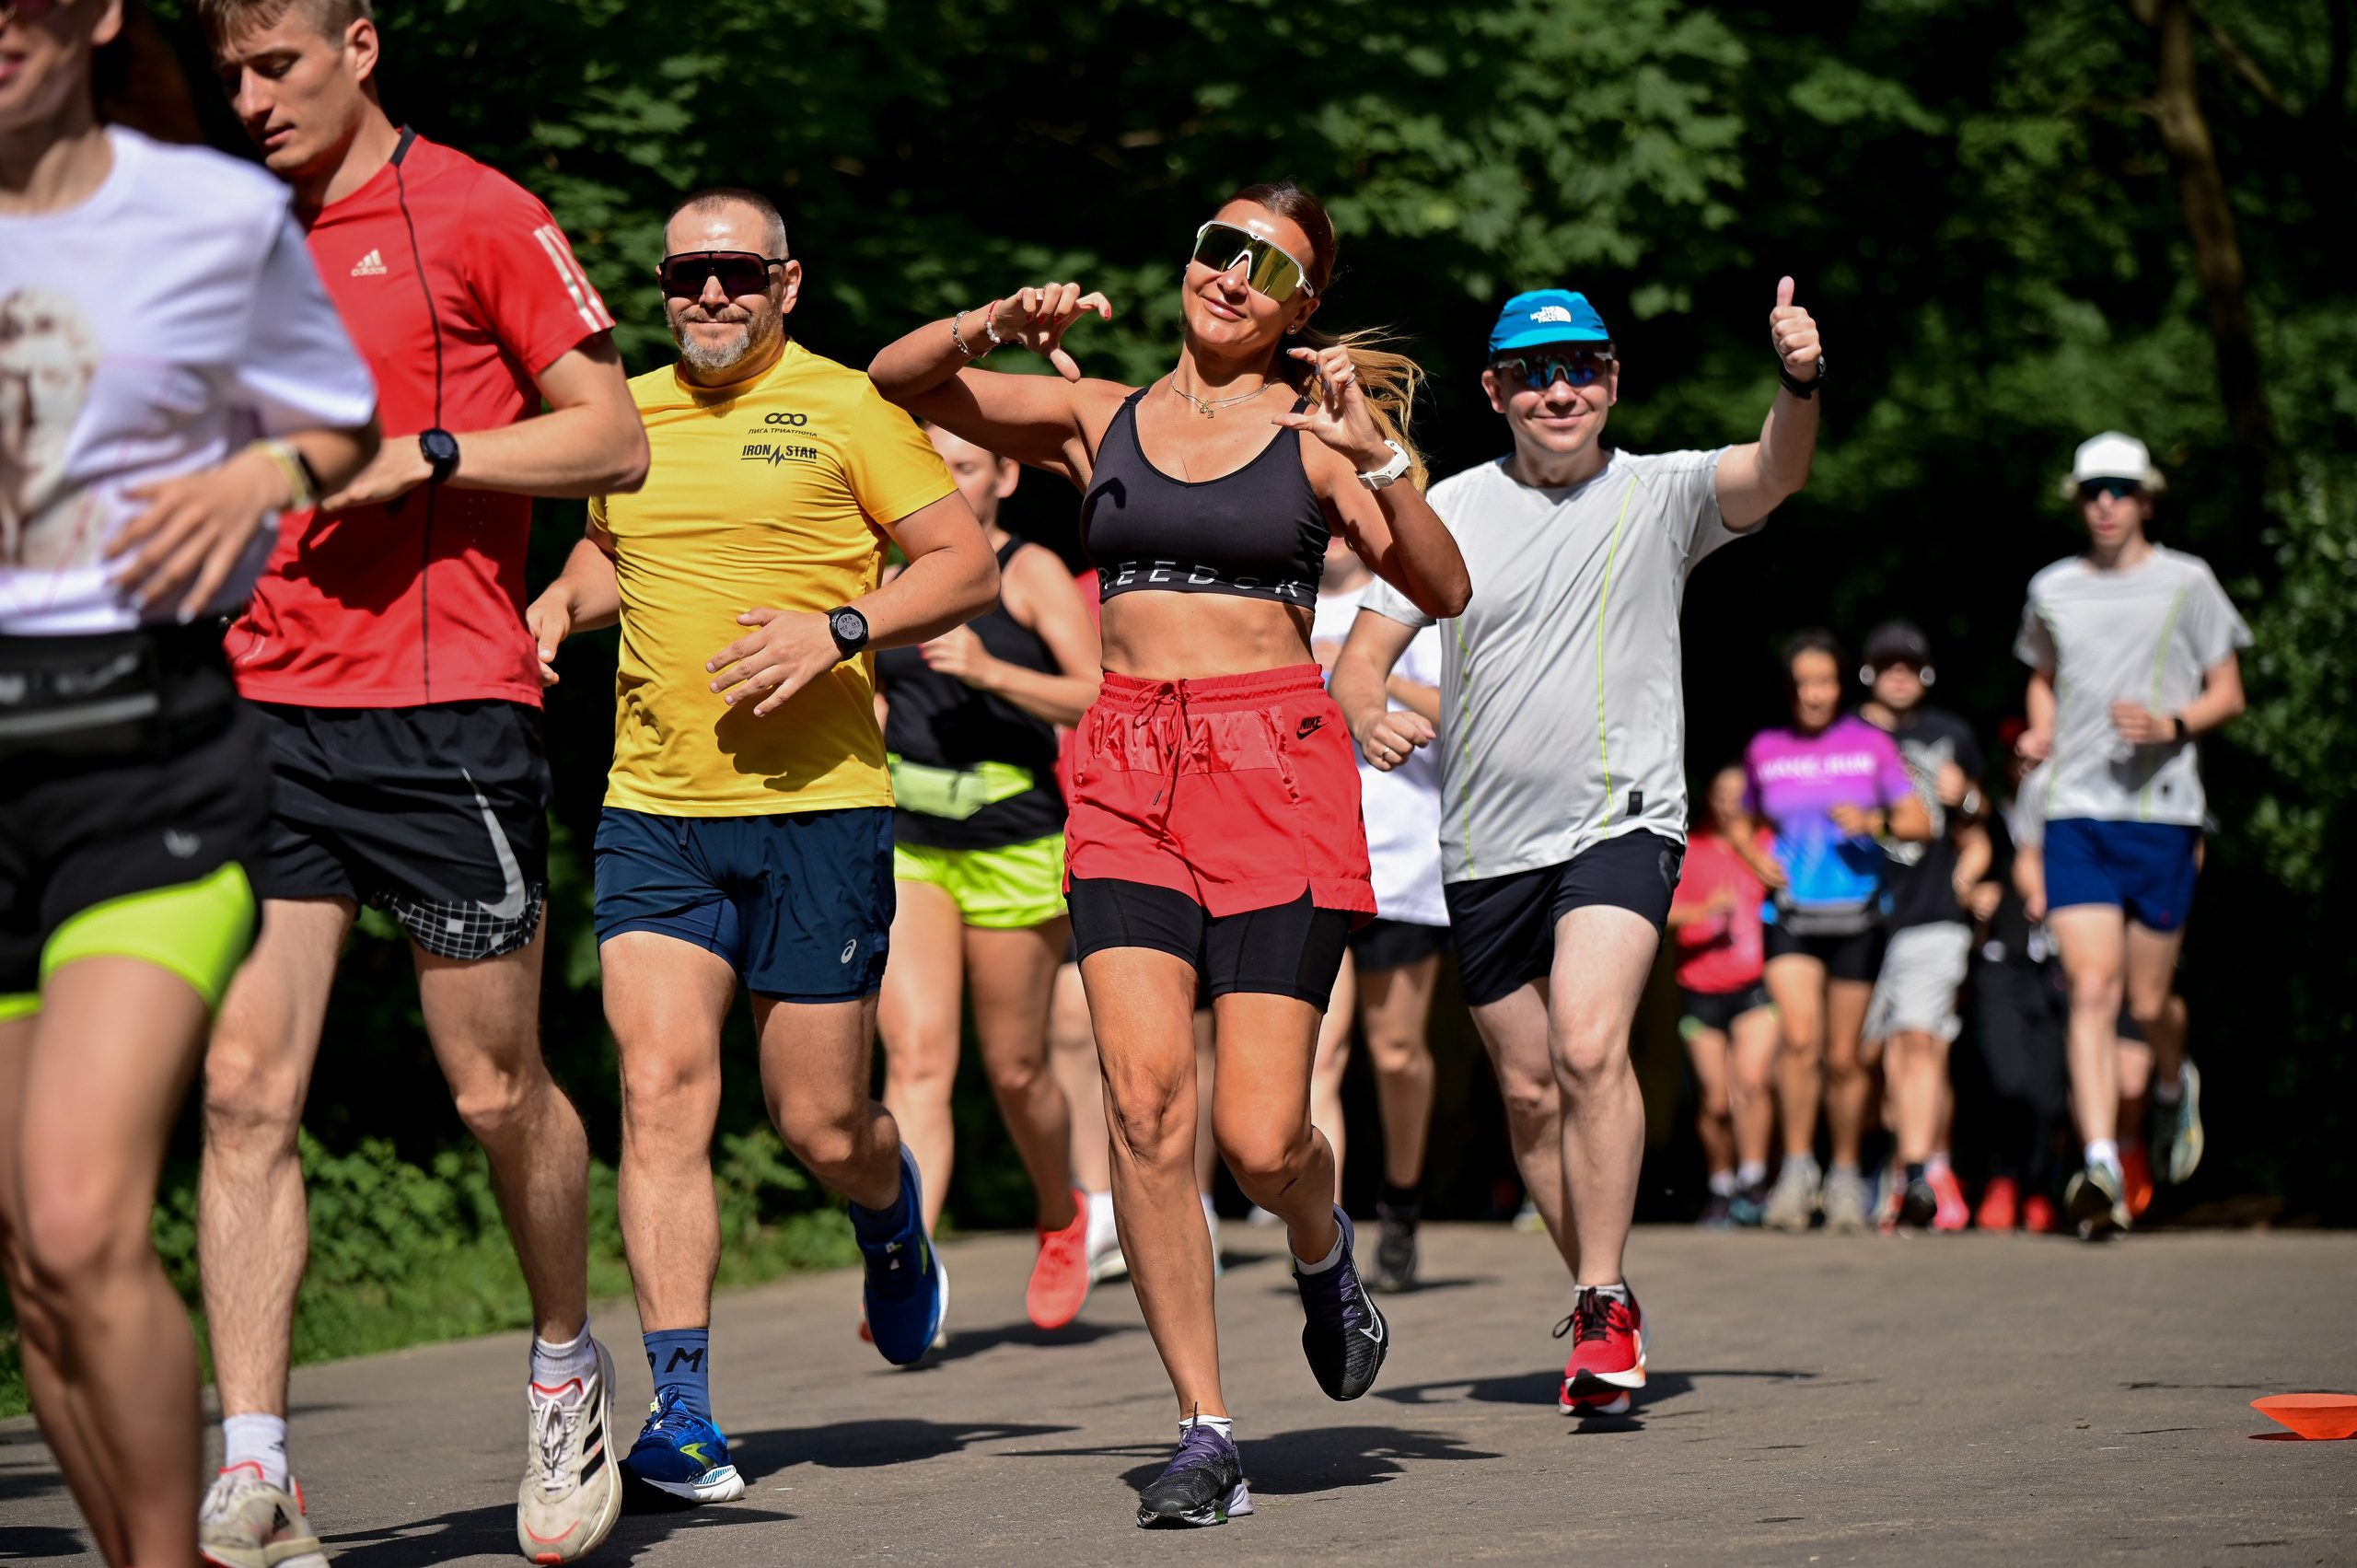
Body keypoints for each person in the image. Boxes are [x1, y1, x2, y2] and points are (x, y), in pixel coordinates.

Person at [870, 180, 1471, 1527]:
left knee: (1262, 1135)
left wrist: (1374, 454)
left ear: (1301, 306)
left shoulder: (1321, 439)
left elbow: (1441, 583)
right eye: (1219, 244)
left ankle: (1322, 1249)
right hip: (1129, 769)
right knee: (1145, 1108)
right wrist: (991, 319)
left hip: (1275, 772)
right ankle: (1205, 1425)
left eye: (1269, 265)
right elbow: (895, 379)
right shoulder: (1100, 416)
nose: (1232, 274)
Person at [192, 2, 651, 1559]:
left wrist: (433, 456)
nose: (251, 103)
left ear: (361, 44)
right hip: (263, 705)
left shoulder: (478, 210)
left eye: (280, 68)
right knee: (246, 1086)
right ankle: (256, 1465)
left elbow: (613, 439)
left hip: (445, 713)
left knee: (490, 1086)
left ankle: (564, 1367)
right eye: (232, 76)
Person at [528, 188, 996, 1501]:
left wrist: (840, 629)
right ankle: (681, 1409)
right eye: (688, 276)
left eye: (738, 273)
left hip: (820, 812)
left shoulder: (850, 406)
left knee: (817, 1117)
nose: (712, 296)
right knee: (662, 1087)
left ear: (788, 283)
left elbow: (964, 565)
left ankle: (886, 1204)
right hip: (657, 810)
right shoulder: (625, 415)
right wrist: (559, 605)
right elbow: (611, 553)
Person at [0, 4, 378, 1565]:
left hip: (141, 756)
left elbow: (337, 420)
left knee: (85, 1215)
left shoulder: (210, 215)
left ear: (94, 15)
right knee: (33, 1259)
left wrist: (262, 469)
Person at [1336, 281, 1826, 1414]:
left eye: (1583, 370)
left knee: (1587, 1040)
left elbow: (1778, 469)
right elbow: (1358, 657)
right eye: (1535, 374)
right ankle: (1601, 1296)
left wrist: (1798, 379)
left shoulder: (1662, 493)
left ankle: (1601, 1297)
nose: (1561, 391)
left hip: (1622, 819)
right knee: (1528, 1092)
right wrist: (1364, 706)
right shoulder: (1443, 505)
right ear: (1498, 391)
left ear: (1611, 383)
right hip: (1484, 845)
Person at [874, 424, 1102, 1330]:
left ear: (1004, 476)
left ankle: (1060, 1211)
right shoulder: (891, 572)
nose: (944, 482)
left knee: (1014, 1069)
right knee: (920, 1057)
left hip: (1015, 843)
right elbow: (881, 690)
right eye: (929, 466)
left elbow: (1095, 691)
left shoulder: (1029, 570)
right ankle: (906, 1265)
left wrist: (992, 669)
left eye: (963, 466)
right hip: (911, 843)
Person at [2015, 431, 2247, 1237]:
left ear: (2146, 499)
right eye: (2091, 491)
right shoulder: (2053, 588)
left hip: (2165, 814)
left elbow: (2230, 690)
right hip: (2077, 811)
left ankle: (2175, 1077)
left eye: (2119, 489)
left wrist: (2171, 722)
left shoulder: (2190, 582)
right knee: (2091, 987)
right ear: (2078, 502)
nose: (2105, 503)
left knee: (2148, 999)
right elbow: (2041, 676)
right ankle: (2103, 1160)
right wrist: (2040, 735)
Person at [1747, 631, 1931, 1235]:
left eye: (1825, 681)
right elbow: (1742, 820)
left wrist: (1874, 819)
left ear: (1840, 683)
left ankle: (1847, 1174)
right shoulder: (1766, 747)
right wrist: (1754, 854)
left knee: (1843, 1057)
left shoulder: (1870, 745)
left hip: (1856, 915)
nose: (1815, 694)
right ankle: (1797, 1171)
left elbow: (1918, 821)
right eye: (1804, 683)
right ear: (1790, 689)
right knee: (1798, 1041)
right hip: (1792, 916)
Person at [1310, 532, 1448, 1290]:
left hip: (1402, 860)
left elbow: (1463, 711)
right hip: (1308, 857)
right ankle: (1325, 1238)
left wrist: (1360, 673)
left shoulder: (1412, 598)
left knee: (1396, 1052)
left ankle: (1401, 1201)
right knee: (1316, 1055)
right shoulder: (1278, 597)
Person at [1853, 621, 1989, 1231]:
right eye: (1888, 664)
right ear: (1869, 673)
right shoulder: (1845, 738)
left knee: (1920, 1041)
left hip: (1933, 913)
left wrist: (1970, 856)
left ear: (1926, 672)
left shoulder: (1950, 734)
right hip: (1859, 919)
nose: (1899, 674)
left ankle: (1922, 1174)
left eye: (1910, 664)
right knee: (1883, 1058)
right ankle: (1920, 1169)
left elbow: (1980, 826)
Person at [1966, 720, 2071, 1233]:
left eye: (2041, 764)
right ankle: (2002, 1178)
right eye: (2022, 762)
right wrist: (1971, 895)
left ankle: (2037, 1187)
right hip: (2000, 963)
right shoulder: (1989, 821)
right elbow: (1960, 862)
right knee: (2006, 1078)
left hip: (2056, 964)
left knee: (2048, 1089)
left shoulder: (2072, 818)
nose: (2031, 773)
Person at [1666, 765, 1780, 1228]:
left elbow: (1783, 882)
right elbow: (1661, 913)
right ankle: (1721, 1185)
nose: (1732, 802)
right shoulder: (1692, 850)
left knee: (1751, 1083)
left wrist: (1744, 845)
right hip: (1700, 987)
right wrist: (1706, 909)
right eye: (1723, 793)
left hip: (1753, 984)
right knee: (1715, 1100)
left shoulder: (1768, 842)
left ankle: (1755, 1180)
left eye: (1741, 794)